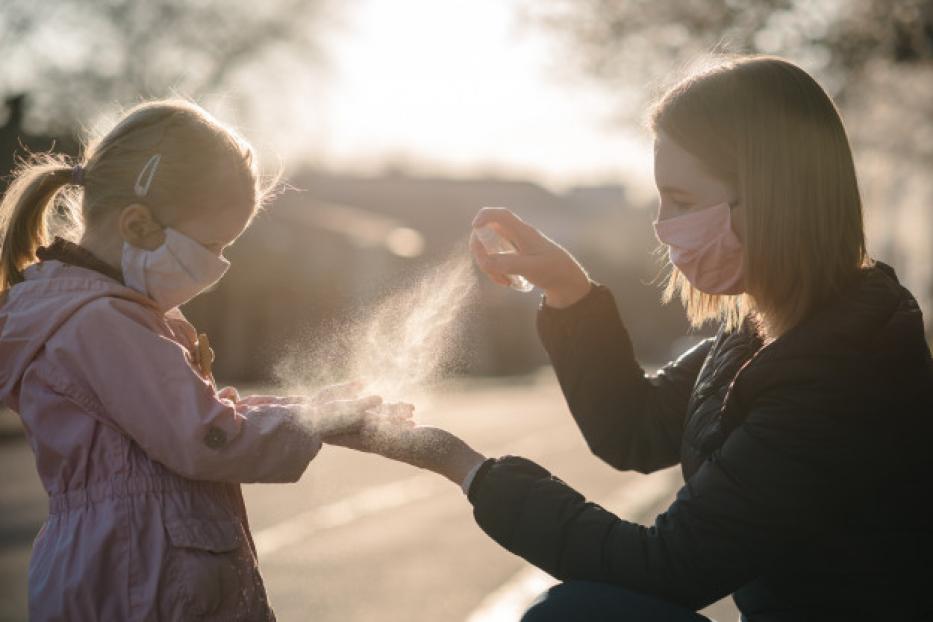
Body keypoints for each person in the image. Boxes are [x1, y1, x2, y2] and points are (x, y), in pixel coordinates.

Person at [327, 56, 933, 620]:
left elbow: (668, 568)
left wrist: (461, 465)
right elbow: (635, 430)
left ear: (774, 195)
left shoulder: (842, 367)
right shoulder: (762, 331)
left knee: (576, 614)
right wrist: (570, 293)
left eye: (682, 200)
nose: (663, 225)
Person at [0, 100, 410, 621]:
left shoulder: (109, 317)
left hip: (130, 567)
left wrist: (304, 409)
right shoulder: (103, 325)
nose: (219, 263)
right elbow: (202, 436)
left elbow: (188, 416)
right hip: (138, 581)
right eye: (213, 243)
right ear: (138, 225)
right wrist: (311, 421)